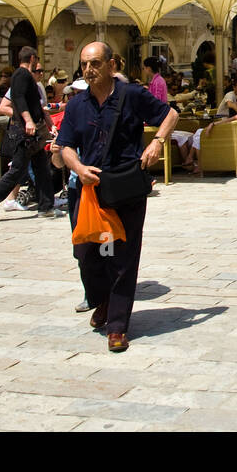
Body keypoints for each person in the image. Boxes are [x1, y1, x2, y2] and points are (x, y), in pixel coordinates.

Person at [57, 41, 177, 353]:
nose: (88, 69)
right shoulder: (76, 105)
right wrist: (79, 168)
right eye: (84, 63)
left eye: (95, 63)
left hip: (125, 187)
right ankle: (104, 300)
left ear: (112, 65)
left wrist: (158, 142)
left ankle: (117, 326)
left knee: (123, 257)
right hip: (90, 190)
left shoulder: (132, 95)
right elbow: (65, 145)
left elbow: (170, 114)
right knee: (88, 254)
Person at [0, 47, 58, 220]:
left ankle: (46, 206)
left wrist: (46, 124)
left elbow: (35, 105)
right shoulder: (21, 75)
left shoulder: (25, 77)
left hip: (33, 132)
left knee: (42, 168)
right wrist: (28, 120)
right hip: (25, 132)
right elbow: (19, 100)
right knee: (17, 170)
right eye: (36, 59)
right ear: (31, 59)